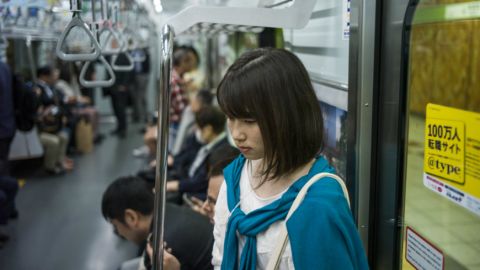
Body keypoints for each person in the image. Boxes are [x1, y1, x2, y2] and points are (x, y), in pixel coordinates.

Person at [212, 48, 369, 269]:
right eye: (230, 117)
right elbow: (220, 257)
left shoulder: (319, 204)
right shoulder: (235, 178)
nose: (237, 134)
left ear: (285, 115)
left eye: (249, 120)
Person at [101, 176, 213, 270]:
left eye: (116, 226)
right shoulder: (167, 210)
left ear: (131, 217)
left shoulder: (162, 249)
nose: (119, 232)